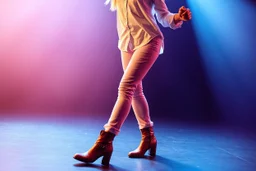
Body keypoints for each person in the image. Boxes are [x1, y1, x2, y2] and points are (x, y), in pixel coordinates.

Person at [73, 0, 192, 166]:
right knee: (135, 91)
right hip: (127, 43)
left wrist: (178, 17)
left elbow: (164, 17)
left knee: (126, 88)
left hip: (148, 40)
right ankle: (148, 137)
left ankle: (104, 142)